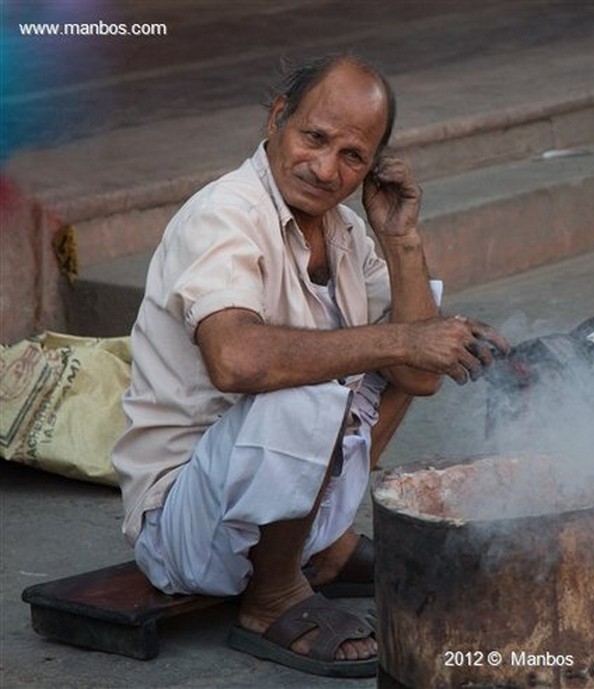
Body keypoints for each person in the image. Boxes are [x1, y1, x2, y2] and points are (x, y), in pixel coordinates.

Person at [111, 53, 509, 678]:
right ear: (277, 119)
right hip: (187, 525)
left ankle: (321, 542)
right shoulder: (225, 213)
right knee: (316, 375)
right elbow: (236, 360)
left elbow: (418, 378)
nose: (326, 169)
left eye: (353, 156)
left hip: (261, 497)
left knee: (401, 344)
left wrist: (401, 241)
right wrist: (402, 341)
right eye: (314, 138)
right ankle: (271, 600)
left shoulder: (345, 230)